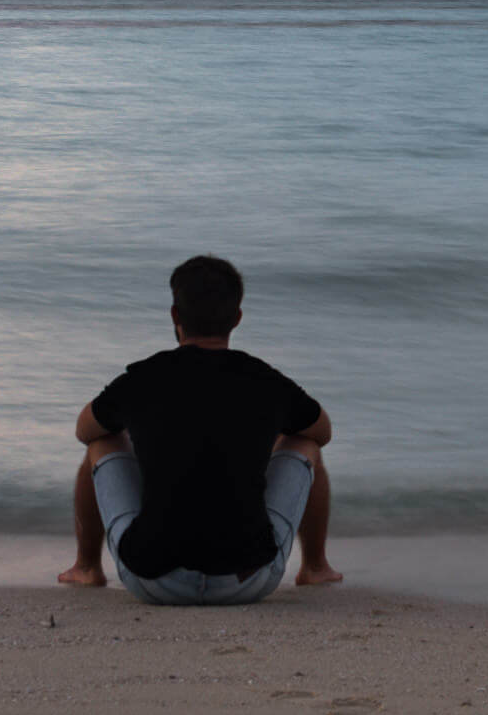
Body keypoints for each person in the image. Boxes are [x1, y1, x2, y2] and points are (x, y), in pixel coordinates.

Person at [57, 254, 342, 603]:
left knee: (101, 443)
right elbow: (322, 432)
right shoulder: (263, 380)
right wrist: (257, 440)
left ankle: (87, 567)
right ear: (237, 319)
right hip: (246, 581)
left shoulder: (144, 378)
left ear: (175, 315)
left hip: (153, 581)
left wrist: (153, 439)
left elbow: (84, 430)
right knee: (305, 444)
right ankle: (314, 567)